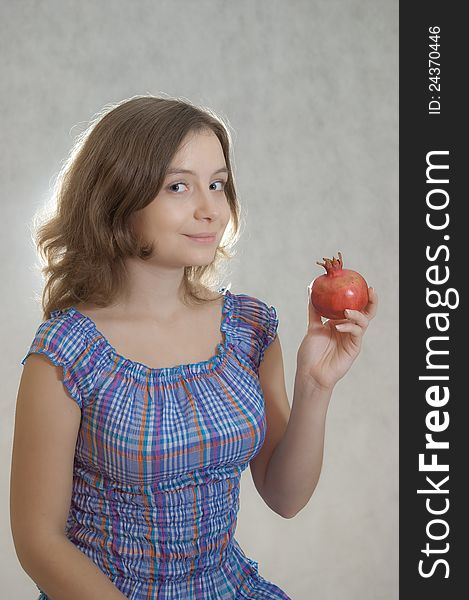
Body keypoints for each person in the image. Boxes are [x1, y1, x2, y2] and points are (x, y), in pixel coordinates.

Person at [10, 94, 377, 600]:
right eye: (178, 186)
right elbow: (38, 541)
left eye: (218, 184)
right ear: (117, 197)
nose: (210, 209)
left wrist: (315, 385)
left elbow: (285, 496)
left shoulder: (249, 327)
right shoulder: (67, 351)